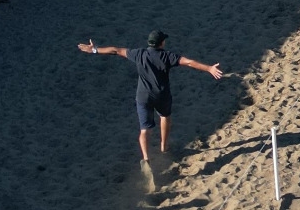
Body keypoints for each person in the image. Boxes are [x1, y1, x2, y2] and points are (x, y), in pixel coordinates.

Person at [76, 31, 223, 166]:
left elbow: (116, 50)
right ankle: (164, 147)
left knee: (144, 130)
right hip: (161, 95)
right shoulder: (167, 56)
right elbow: (190, 62)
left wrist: (94, 49)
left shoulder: (138, 54)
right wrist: (209, 68)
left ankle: (146, 159)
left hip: (143, 97)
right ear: (161, 43)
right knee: (165, 117)